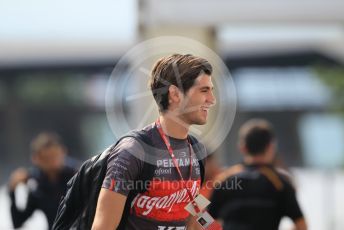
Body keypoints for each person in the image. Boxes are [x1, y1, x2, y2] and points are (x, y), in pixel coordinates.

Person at [91, 54, 216, 230]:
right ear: (175, 94)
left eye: (211, 90)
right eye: (204, 90)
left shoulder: (196, 149)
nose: (212, 99)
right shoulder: (132, 151)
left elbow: (195, 216)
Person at [208, 119, 307, 230]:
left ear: (242, 148)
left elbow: (204, 219)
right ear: (271, 147)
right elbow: (301, 225)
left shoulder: (225, 180)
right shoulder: (280, 183)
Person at [8, 132, 77, 229]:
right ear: (36, 159)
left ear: (63, 152)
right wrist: (12, 192)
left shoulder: (76, 174)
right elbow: (18, 222)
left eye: (55, 156)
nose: (53, 162)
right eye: (46, 158)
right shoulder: (37, 184)